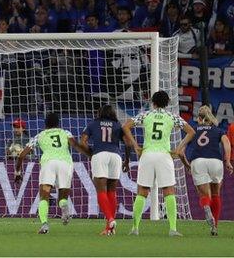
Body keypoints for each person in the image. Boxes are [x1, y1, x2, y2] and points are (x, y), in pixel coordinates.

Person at [122, 90, 195, 237]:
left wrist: (136, 146)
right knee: (168, 191)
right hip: (164, 156)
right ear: (167, 103)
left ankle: (135, 228)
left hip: (147, 155)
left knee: (142, 191)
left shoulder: (146, 115)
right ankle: (173, 229)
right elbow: (191, 131)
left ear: (153, 103)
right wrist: (179, 148)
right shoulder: (172, 116)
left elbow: (125, 126)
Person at [15, 112, 85, 234]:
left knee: (44, 196)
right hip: (65, 163)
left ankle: (44, 225)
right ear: (58, 123)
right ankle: (64, 207)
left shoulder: (39, 135)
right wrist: (89, 154)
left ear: (45, 123)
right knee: (62, 198)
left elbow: (21, 155)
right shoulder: (66, 133)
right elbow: (76, 146)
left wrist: (18, 172)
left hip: (48, 164)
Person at [178, 105, 232, 236]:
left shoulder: (193, 130)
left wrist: (187, 165)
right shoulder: (219, 131)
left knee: (203, 195)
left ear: (199, 118)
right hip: (216, 162)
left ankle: (206, 207)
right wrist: (228, 161)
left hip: (198, 161)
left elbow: (180, 151)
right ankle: (215, 228)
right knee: (215, 194)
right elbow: (227, 143)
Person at [78, 105, 129, 235]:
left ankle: (110, 219)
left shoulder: (93, 124)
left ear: (99, 113)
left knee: (101, 191)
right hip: (116, 156)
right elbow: (128, 143)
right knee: (112, 191)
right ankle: (109, 228)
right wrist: (127, 160)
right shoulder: (118, 125)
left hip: (100, 155)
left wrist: (90, 153)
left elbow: (82, 142)